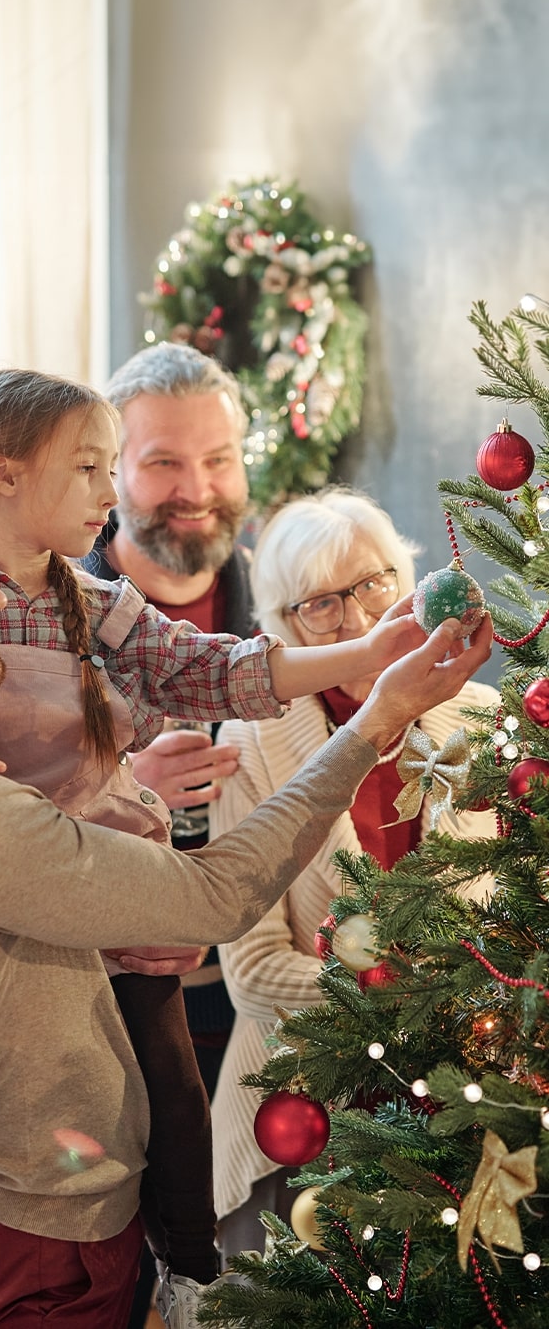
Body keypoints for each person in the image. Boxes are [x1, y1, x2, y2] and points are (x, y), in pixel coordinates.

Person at [0, 370, 428, 1328]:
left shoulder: (79, 597)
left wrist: (363, 662)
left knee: (174, 1110)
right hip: (55, 938)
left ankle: (184, 1269)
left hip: (109, 895)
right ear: (1, 476)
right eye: (98, 466)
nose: (111, 492)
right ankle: (188, 1272)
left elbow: (209, 667)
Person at [208, 487, 499, 1265]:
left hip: (461, 1095)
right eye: (322, 605)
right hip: (305, 1113)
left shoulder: (480, 715)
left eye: (373, 585)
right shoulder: (253, 743)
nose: (360, 619)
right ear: (282, 626)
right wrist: (387, 993)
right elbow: (251, 971)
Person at [88, 342, 254, 1329]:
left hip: (271, 1006)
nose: (196, 491)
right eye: (162, 462)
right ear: (110, 472)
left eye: (220, 459)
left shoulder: (292, 599)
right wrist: (122, 792)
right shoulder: (40, 619)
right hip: (109, 1022)